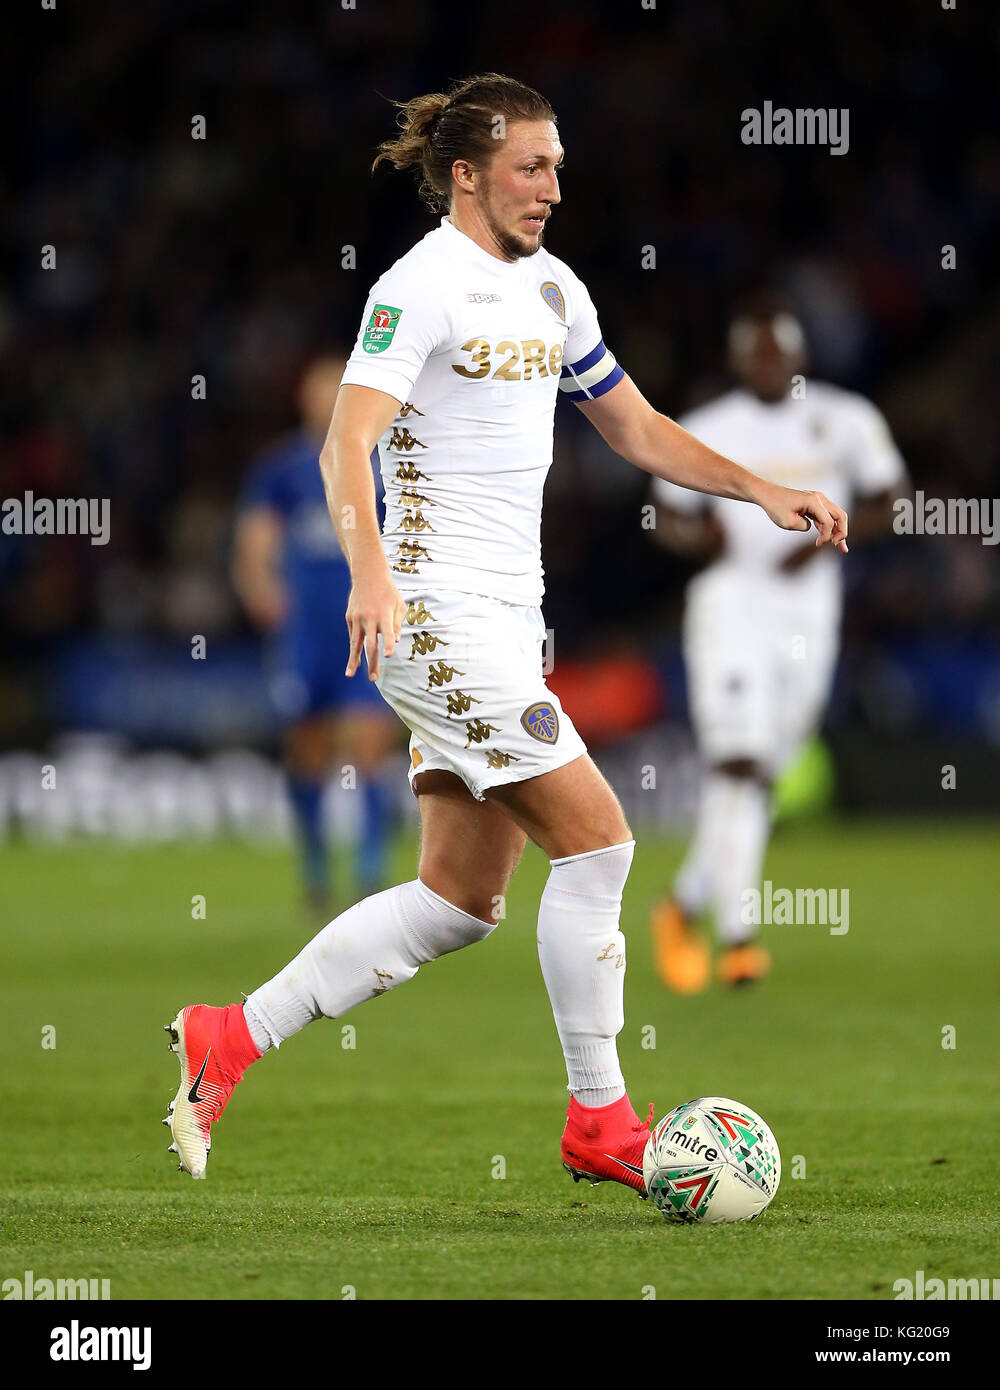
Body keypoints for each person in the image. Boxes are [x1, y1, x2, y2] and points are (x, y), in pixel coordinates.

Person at [163, 75, 847, 1188]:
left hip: (507, 623)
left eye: (559, 167)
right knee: (601, 839)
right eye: (532, 167)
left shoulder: (554, 291)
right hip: (435, 615)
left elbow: (631, 425)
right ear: (469, 173)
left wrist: (758, 487)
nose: (552, 189)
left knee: (457, 904)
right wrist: (368, 575)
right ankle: (601, 1119)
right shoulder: (418, 288)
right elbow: (348, 444)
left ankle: (227, 1036)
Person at [649, 293, 905, 991]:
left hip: (809, 617)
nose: (767, 363)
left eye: (777, 352)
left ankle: (681, 905)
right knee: (736, 761)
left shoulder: (845, 419)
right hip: (731, 605)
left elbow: (892, 499)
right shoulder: (707, 427)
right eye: (754, 352)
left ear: (798, 355)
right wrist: (697, 537)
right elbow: (665, 514)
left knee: (765, 770)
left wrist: (826, 546)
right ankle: (739, 938)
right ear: (736, 360)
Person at [232, 355, 399, 912]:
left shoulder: (381, 462)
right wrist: (261, 590)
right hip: (306, 633)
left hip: (366, 623)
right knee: (306, 750)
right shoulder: (282, 469)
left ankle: (371, 868)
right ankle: (314, 866)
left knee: (368, 743)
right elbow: (256, 542)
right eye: (319, 390)